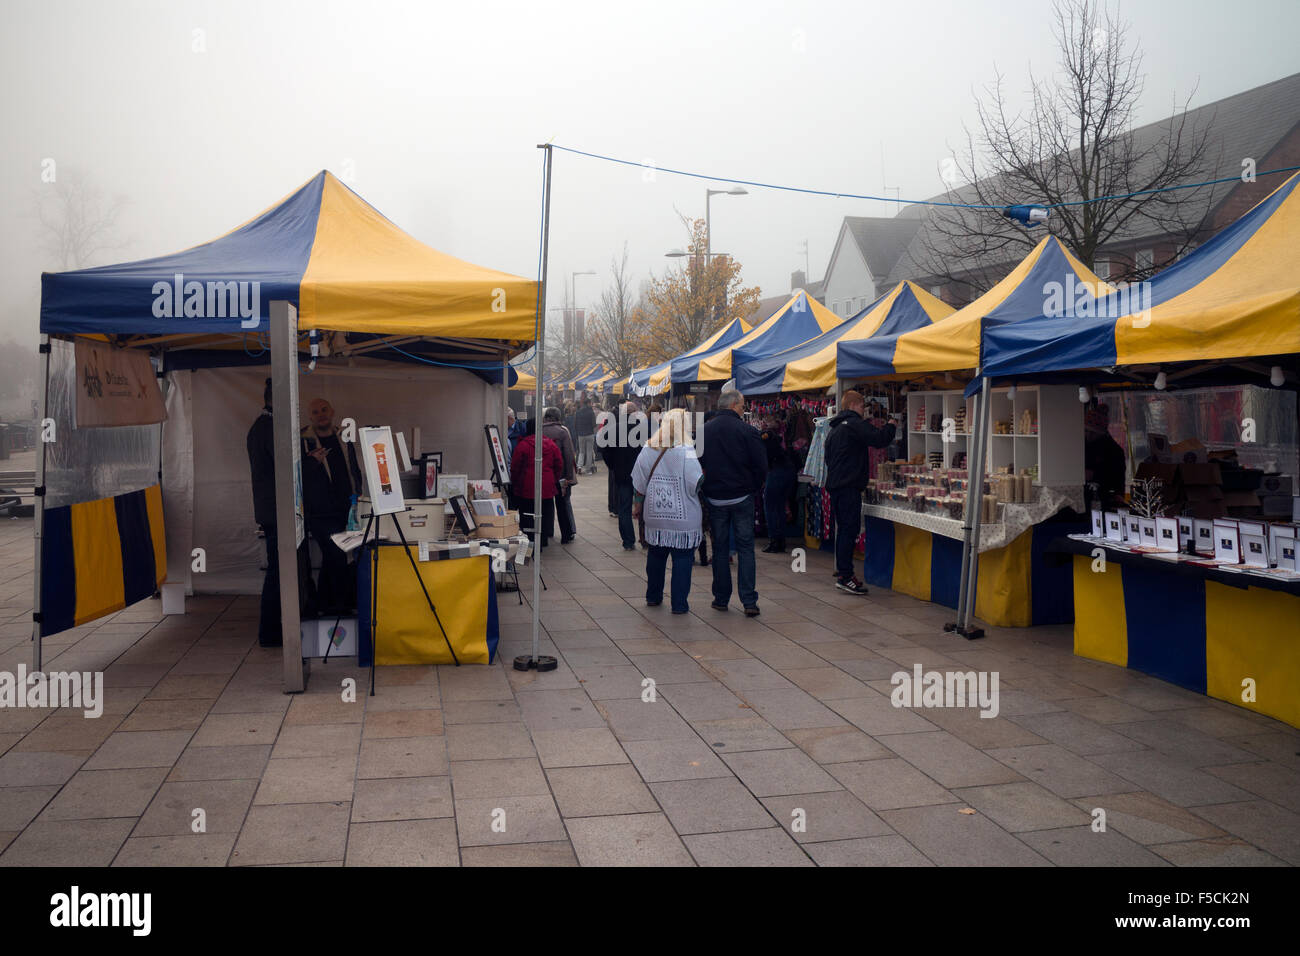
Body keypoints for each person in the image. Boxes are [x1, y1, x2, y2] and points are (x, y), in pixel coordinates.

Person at [246, 378, 314, 647]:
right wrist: (310, 459)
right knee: (278, 572)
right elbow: (285, 467)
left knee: (285, 569)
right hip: (278, 511)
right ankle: (270, 632)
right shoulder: (271, 427)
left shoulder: (263, 425)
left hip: (275, 509)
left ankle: (280, 628)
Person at [700, 389, 767, 616]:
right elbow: (761, 465)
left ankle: (721, 598)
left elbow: (696, 464)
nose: (743, 409)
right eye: (742, 406)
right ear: (733, 405)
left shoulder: (704, 431)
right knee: (746, 548)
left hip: (716, 497)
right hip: (741, 496)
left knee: (719, 548)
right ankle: (749, 600)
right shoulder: (748, 431)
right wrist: (753, 487)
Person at [824, 389, 897, 594]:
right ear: (854, 406)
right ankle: (845, 576)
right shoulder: (853, 425)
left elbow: (828, 458)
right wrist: (891, 426)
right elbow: (879, 439)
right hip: (848, 487)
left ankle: (843, 573)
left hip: (836, 486)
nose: (864, 410)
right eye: (863, 406)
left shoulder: (835, 429)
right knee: (849, 529)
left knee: (844, 530)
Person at [633, 409, 703, 614]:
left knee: (656, 555)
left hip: (655, 514)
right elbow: (696, 482)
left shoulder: (648, 448)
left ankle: (653, 596)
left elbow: (638, 483)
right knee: (682, 559)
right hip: (684, 517)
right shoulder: (687, 451)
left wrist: (638, 504)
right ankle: (679, 604)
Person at [300, 397, 362, 614]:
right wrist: (311, 462)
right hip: (319, 513)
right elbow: (294, 476)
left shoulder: (344, 437)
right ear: (310, 417)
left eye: (324, 409)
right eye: (315, 412)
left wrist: (359, 497)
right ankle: (340, 606)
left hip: (346, 509)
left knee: (336, 556)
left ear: (332, 411)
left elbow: (354, 469)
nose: (321, 414)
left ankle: (324, 603)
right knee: (336, 553)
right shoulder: (302, 439)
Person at [510, 418, 563, 548]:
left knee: (527, 512)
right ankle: (543, 539)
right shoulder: (551, 444)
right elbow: (558, 464)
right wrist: (553, 479)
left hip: (527, 486)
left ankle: (530, 539)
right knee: (545, 513)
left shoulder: (523, 445)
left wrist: (515, 482)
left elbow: (515, 467)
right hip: (547, 485)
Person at [601, 401, 643, 550]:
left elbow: (604, 450)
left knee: (624, 508)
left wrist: (613, 466)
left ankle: (628, 540)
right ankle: (646, 538)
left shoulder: (614, 429)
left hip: (622, 474)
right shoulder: (643, 429)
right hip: (641, 474)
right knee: (644, 506)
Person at [760, 411, 796, 554]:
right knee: (779, 506)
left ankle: (774, 540)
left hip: (777, 472)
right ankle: (780, 540)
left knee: (769, 506)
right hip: (787, 471)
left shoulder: (763, 439)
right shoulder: (774, 440)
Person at [543, 405, 578, 544]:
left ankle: (547, 531)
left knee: (546, 504)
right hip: (561, 475)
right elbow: (569, 455)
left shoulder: (539, 430)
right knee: (562, 504)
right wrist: (569, 476)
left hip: (545, 474)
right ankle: (566, 534)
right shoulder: (563, 432)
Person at [1085, 403, 1126, 510]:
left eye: (1093, 433)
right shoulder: (1079, 445)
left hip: (1104, 498)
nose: (1088, 435)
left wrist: (1094, 474)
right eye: (1086, 431)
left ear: (1102, 433)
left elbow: (1118, 479)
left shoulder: (1114, 451)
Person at [575, 397, 597, 474]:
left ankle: (579, 466)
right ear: (588, 403)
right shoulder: (591, 412)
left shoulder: (577, 412)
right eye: (590, 403)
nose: (591, 404)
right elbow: (594, 424)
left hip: (580, 434)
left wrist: (578, 431)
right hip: (589, 433)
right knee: (589, 451)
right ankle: (588, 470)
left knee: (581, 452)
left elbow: (575, 424)